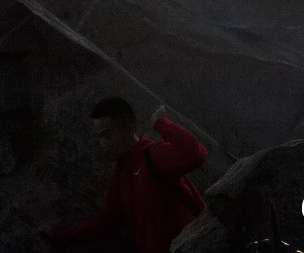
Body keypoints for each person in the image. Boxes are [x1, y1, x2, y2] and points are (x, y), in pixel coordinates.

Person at [44, 97, 207, 252]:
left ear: (129, 128)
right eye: (99, 137)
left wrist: (161, 123)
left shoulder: (153, 155)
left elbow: (196, 155)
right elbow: (106, 222)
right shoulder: (121, 176)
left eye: (107, 135)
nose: (103, 144)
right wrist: (58, 236)